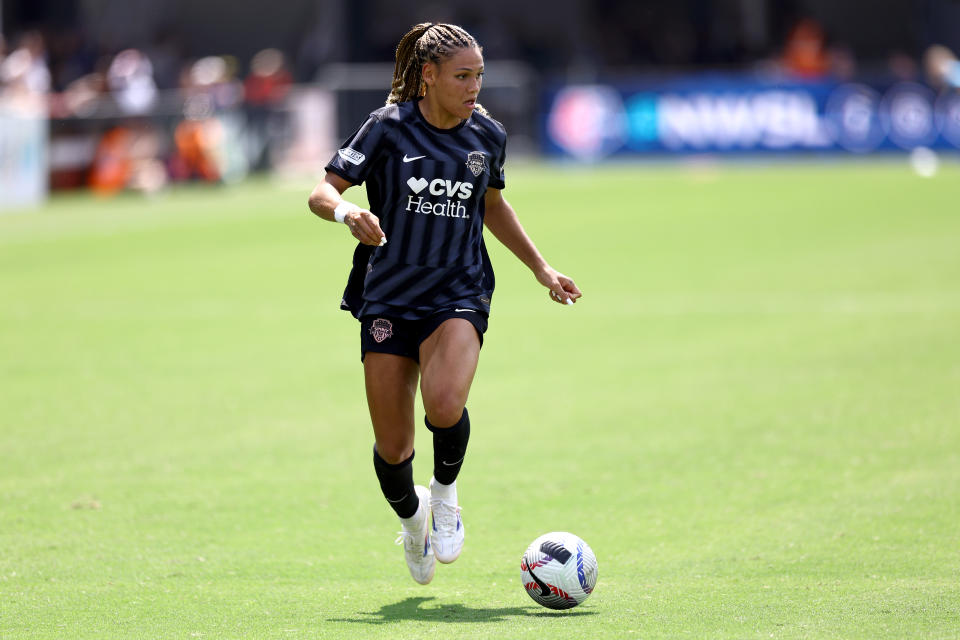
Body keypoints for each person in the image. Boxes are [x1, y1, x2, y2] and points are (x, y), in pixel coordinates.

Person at [307, 22, 581, 585]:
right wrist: (347, 213)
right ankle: (413, 524)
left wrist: (541, 267)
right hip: (387, 296)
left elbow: (493, 206)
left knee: (445, 405)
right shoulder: (387, 128)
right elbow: (321, 191)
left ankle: (447, 493)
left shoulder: (487, 136)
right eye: (462, 76)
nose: (474, 85)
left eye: (479, 75)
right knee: (392, 446)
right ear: (428, 76)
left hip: (459, 290)